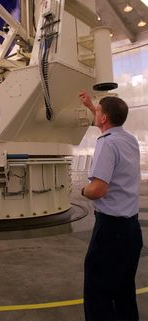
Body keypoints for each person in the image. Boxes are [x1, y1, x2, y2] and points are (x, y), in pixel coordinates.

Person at [79, 90, 143, 321]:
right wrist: (90, 104)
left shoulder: (106, 144)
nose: (96, 113)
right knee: (123, 291)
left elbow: (98, 190)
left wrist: (81, 190)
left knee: (98, 291)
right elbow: (107, 126)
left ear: (103, 117)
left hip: (110, 231)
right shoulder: (128, 139)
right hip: (131, 231)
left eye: (98, 111)